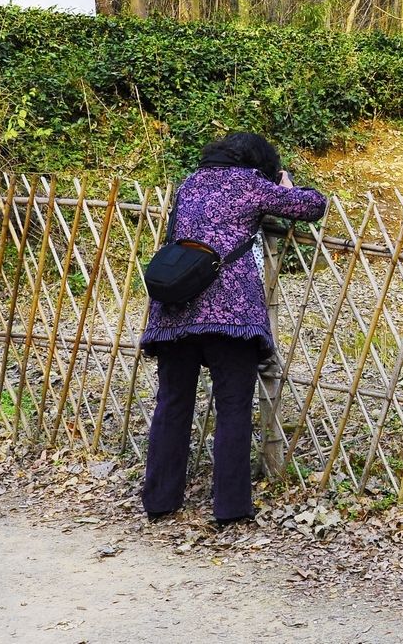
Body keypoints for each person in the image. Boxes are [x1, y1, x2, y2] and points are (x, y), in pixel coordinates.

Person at [140, 132, 327, 525]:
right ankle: (230, 508)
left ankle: (159, 500)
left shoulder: (190, 183)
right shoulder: (249, 184)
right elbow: (312, 205)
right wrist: (284, 185)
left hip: (176, 307)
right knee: (233, 407)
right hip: (232, 313)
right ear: (260, 162)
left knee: (172, 403)